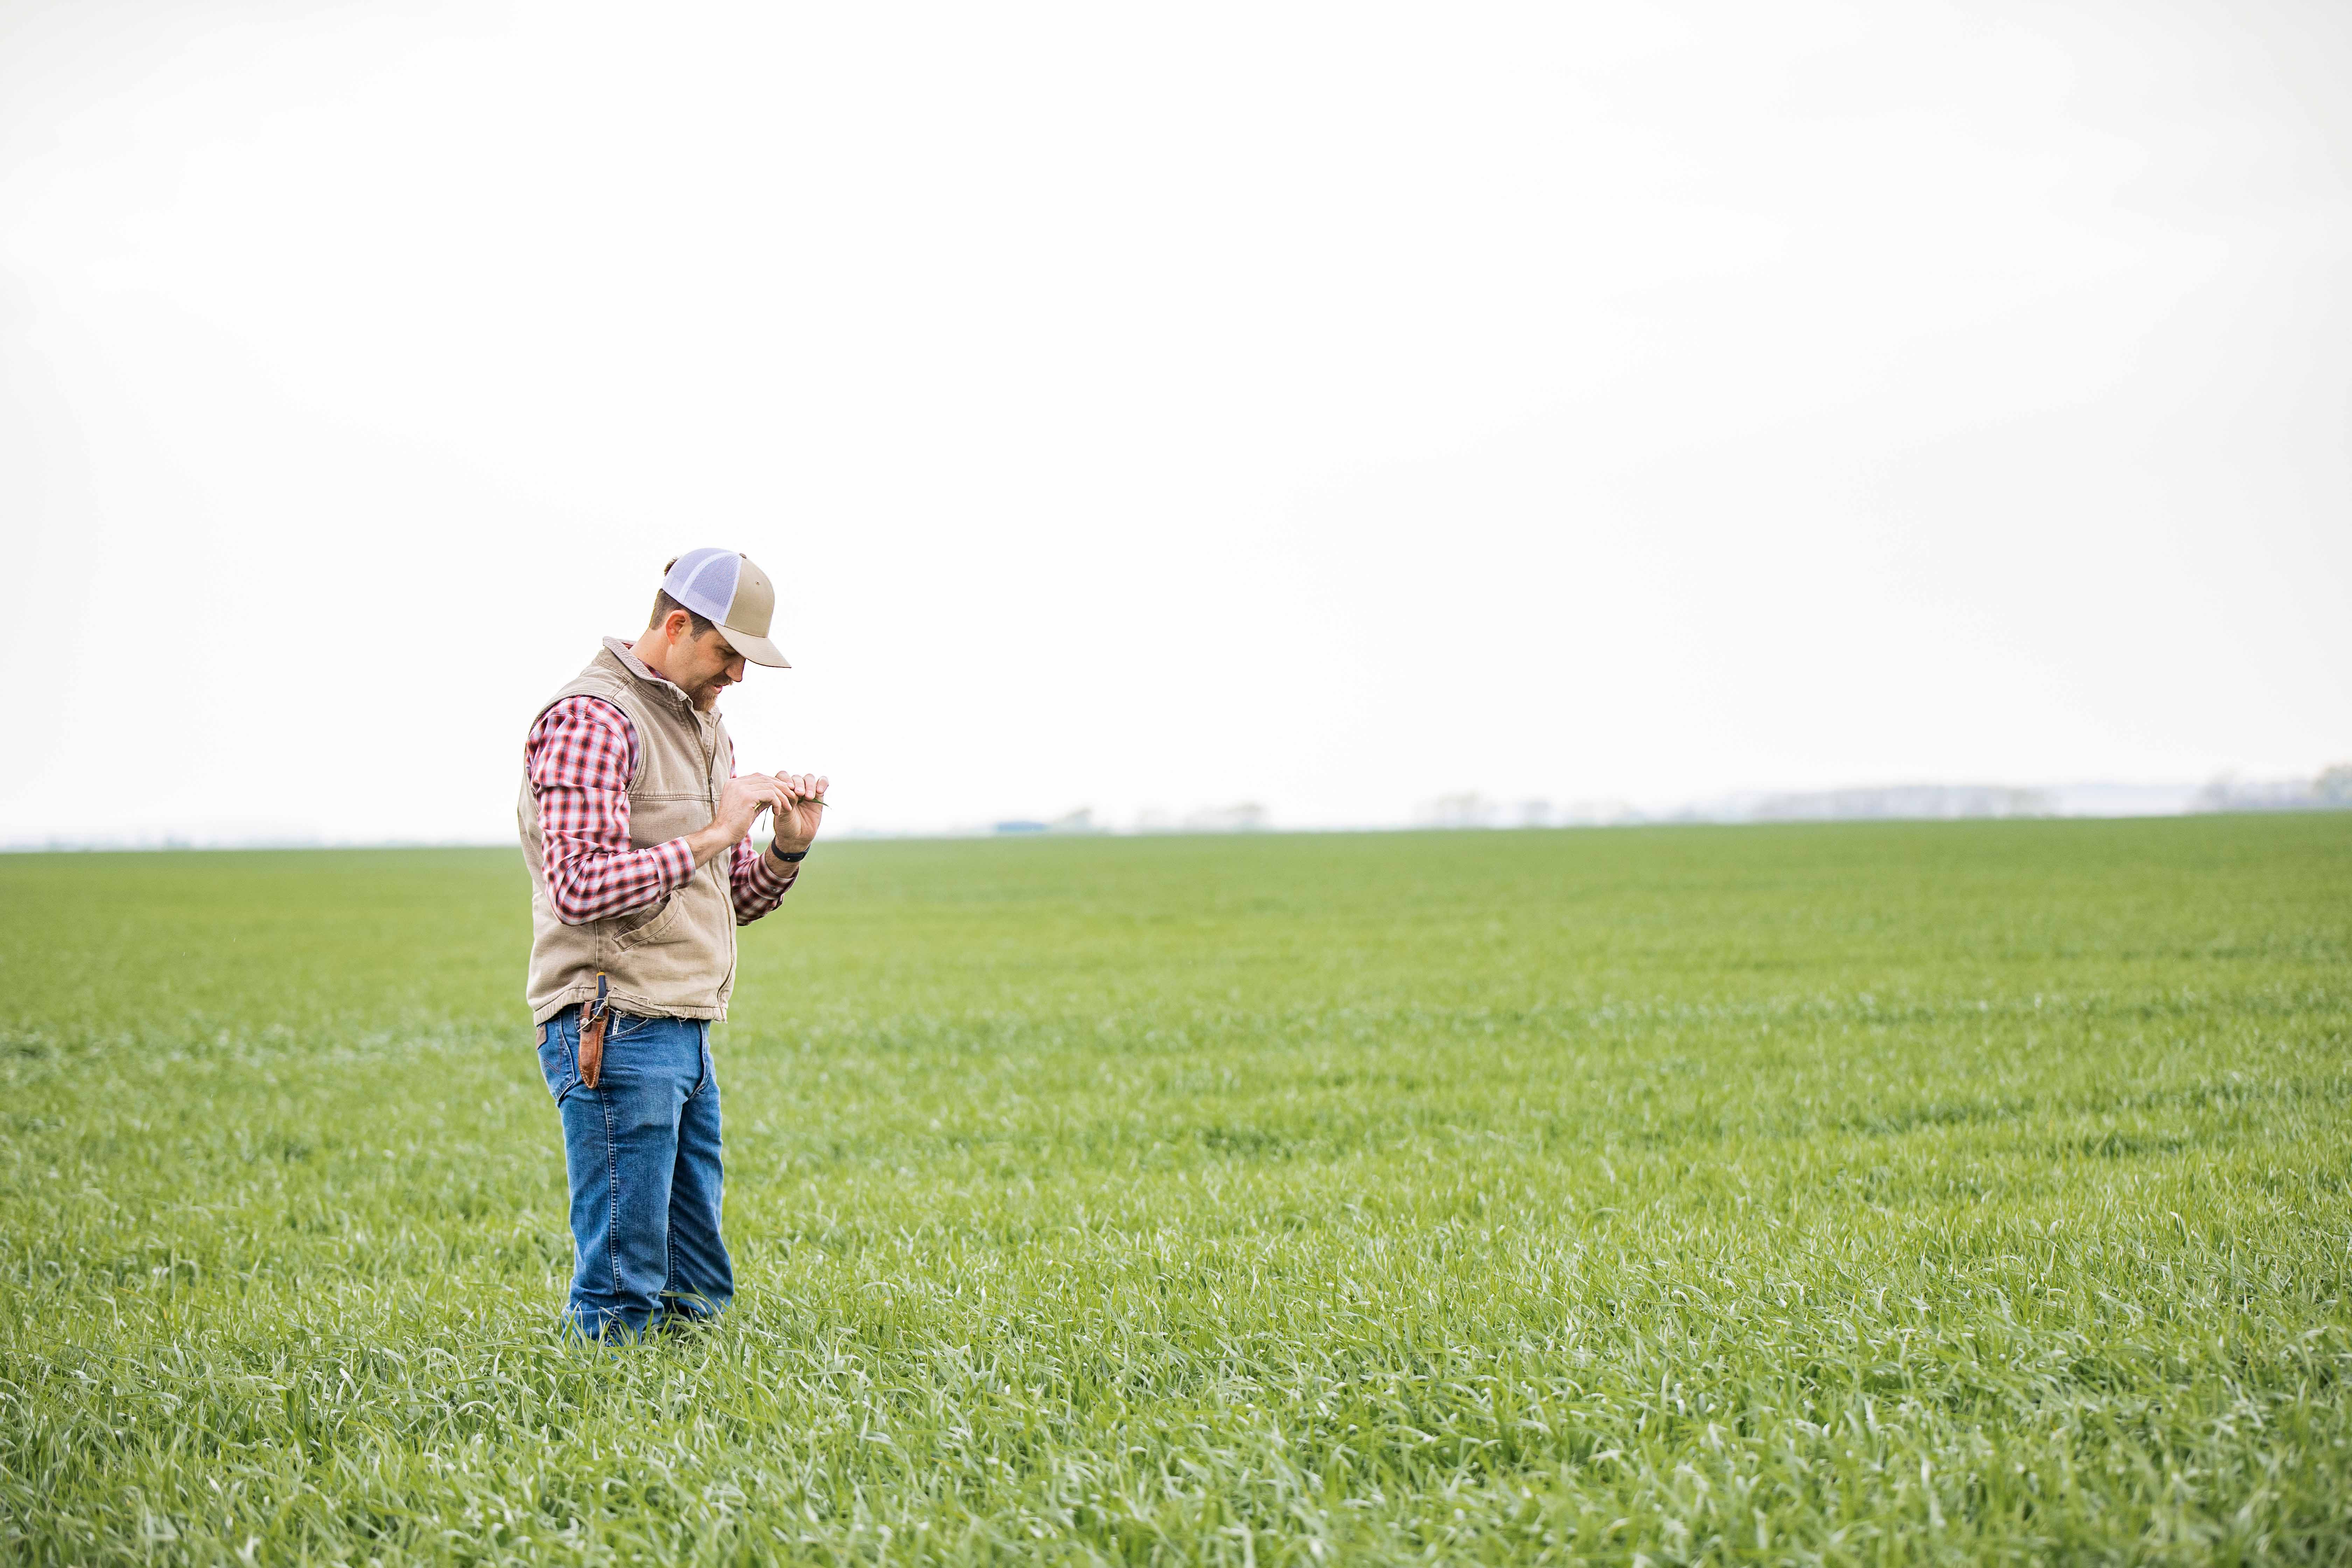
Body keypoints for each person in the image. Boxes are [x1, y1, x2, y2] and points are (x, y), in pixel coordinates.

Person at [517, 547, 827, 1340]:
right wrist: (720, 828)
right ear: (677, 623)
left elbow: (713, 903)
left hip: (683, 1028)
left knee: (698, 1291)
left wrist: (784, 849)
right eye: (728, 654)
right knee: (623, 1294)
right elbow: (579, 885)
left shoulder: (702, 729)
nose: (738, 676)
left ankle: (691, 1436)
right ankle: (593, 1440)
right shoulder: (593, 717)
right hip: (614, 1023)